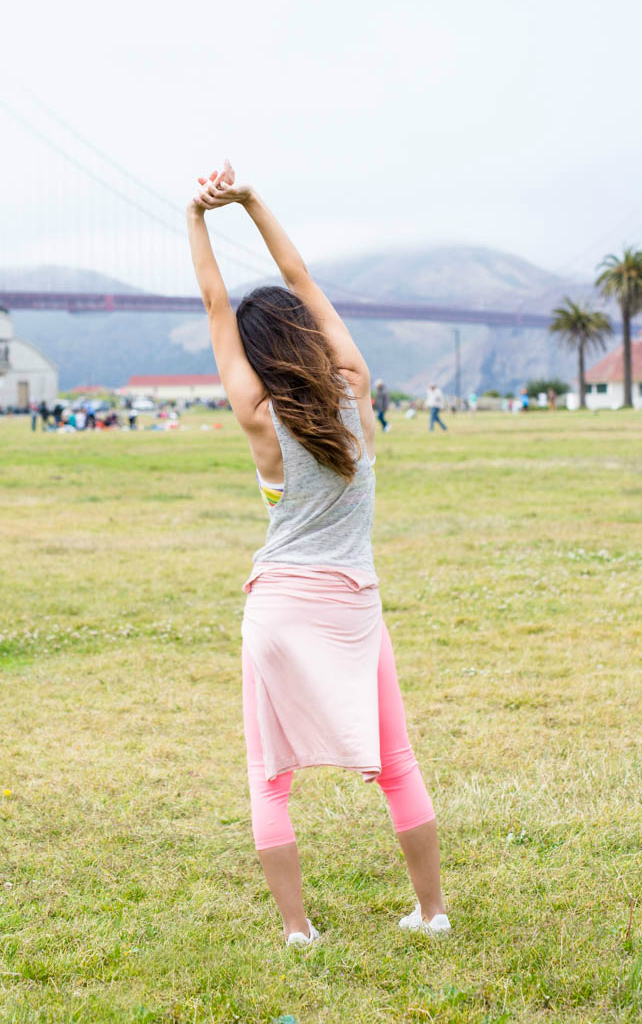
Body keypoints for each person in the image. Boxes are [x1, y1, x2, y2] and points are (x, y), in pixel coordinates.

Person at [187, 160, 448, 947]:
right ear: (303, 336)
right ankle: (432, 914)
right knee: (396, 764)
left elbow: (211, 304)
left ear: (257, 354)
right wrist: (253, 201)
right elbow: (298, 274)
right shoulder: (353, 389)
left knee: (271, 778)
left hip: (277, 608)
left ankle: (299, 932)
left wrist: (196, 217)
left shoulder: (257, 416)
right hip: (353, 604)